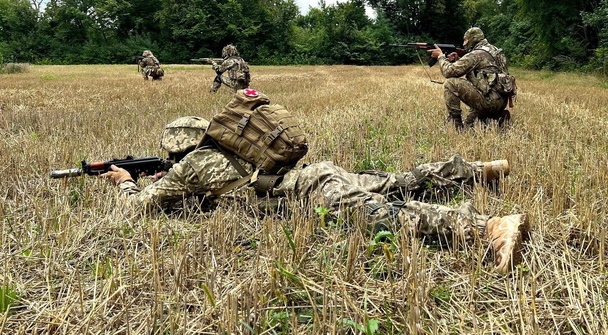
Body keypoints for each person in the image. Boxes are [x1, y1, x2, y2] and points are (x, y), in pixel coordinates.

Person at [101, 116, 529, 273]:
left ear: (179, 150)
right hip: (316, 174)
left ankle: (487, 227)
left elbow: (139, 208)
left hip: (308, 193)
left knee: (389, 215)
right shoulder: (234, 148)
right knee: (398, 180)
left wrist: (125, 181)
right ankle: (479, 169)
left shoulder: (191, 167)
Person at [430, 27, 515, 130]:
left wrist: (441, 56)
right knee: (469, 125)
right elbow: (484, 71)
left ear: (472, 40)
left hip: (489, 101)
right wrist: (459, 60)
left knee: (450, 83)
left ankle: (455, 124)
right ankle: (497, 118)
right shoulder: (495, 51)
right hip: (501, 101)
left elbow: (448, 72)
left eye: (465, 41)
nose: (464, 44)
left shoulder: (476, 54)